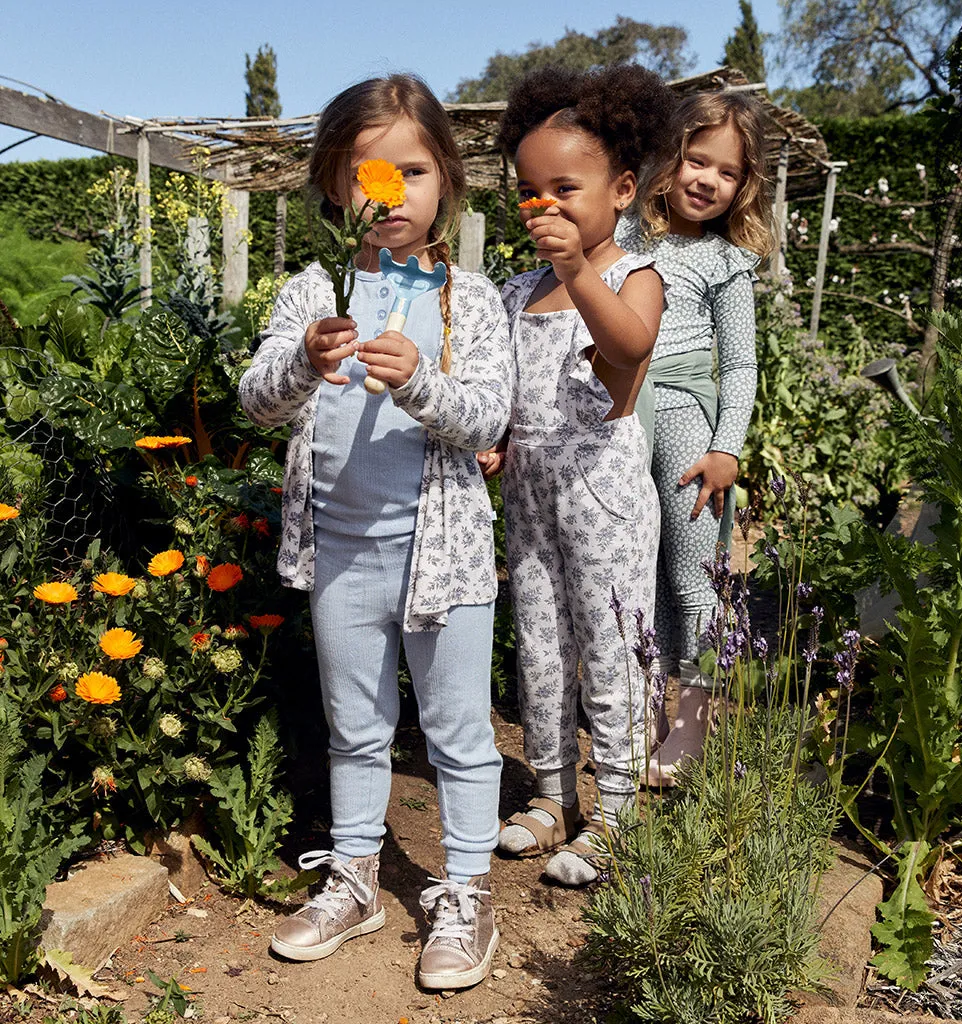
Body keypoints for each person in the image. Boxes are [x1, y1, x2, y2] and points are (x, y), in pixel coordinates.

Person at [238, 74, 511, 990]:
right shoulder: (312, 290)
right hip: (343, 546)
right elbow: (254, 400)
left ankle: (465, 891)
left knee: (458, 730)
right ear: (331, 182)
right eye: (367, 174)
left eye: (412, 172)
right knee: (355, 724)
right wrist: (309, 362)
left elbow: (487, 419)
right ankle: (355, 875)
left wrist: (422, 384)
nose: (388, 193)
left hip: (446, 552)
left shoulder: (465, 300)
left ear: (446, 184)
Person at [480, 65, 672, 886]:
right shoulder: (514, 291)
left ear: (621, 189)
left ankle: (621, 811)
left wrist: (577, 274)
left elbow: (628, 349)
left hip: (607, 498)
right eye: (530, 191)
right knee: (543, 649)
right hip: (528, 498)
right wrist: (489, 440)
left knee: (612, 647)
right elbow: (496, 391)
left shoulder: (634, 278)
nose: (544, 206)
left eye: (566, 187)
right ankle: (555, 796)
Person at [616, 91, 774, 781]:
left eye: (728, 171)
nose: (707, 179)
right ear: (667, 159)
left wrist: (726, 449)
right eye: (695, 159)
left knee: (693, 574)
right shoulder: (624, 236)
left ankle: (693, 721)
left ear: (744, 185)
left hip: (685, 420)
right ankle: (642, 703)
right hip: (620, 410)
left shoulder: (725, 262)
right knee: (634, 567)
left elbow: (740, 363)